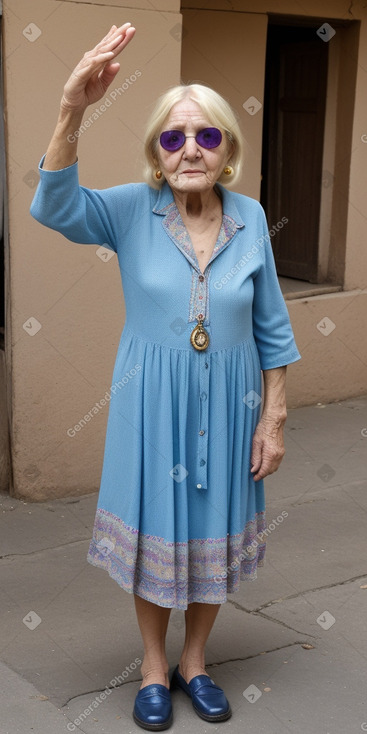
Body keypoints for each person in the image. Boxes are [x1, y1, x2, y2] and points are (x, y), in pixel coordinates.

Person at [30, 22, 301, 731]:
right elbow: (53, 206)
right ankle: (153, 667)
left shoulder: (248, 217)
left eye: (206, 137)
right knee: (156, 535)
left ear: (226, 151)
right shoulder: (129, 209)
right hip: (151, 406)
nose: (189, 150)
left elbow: (272, 325)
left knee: (212, 532)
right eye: (173, 137)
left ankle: (195, 662)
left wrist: (272, 417)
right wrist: (71, 109)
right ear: (155, 149)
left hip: (234, 405)